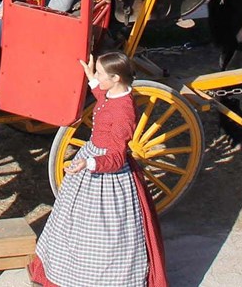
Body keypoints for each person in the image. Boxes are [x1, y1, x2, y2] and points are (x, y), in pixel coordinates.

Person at [28, 52, 168, 287]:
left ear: (115, 77)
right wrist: (92, 77)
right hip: (93, 158)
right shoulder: (116, 92)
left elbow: (115, 158)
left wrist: (89, 163)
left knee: (103, 233)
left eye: (102, 74)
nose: (99, 78)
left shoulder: (125, 112)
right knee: (73, 222)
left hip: (107, 175)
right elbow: (104, 99)